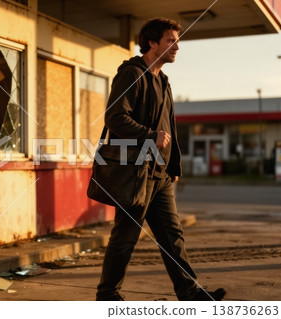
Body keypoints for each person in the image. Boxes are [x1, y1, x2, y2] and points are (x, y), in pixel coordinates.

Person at [96, 17, 226, 301]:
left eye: (177, 41)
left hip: (161, 173)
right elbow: (115, 117)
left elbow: (170, 128)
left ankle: (190, 292)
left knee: (172, 236)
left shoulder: (163, 81)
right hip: (136, 172)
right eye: (170, 40)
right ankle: (107, 294)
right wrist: (148, 135)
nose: (177, 47)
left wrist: (174, 165)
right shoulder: (132, 74)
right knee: (126, 237)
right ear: (152, 42)